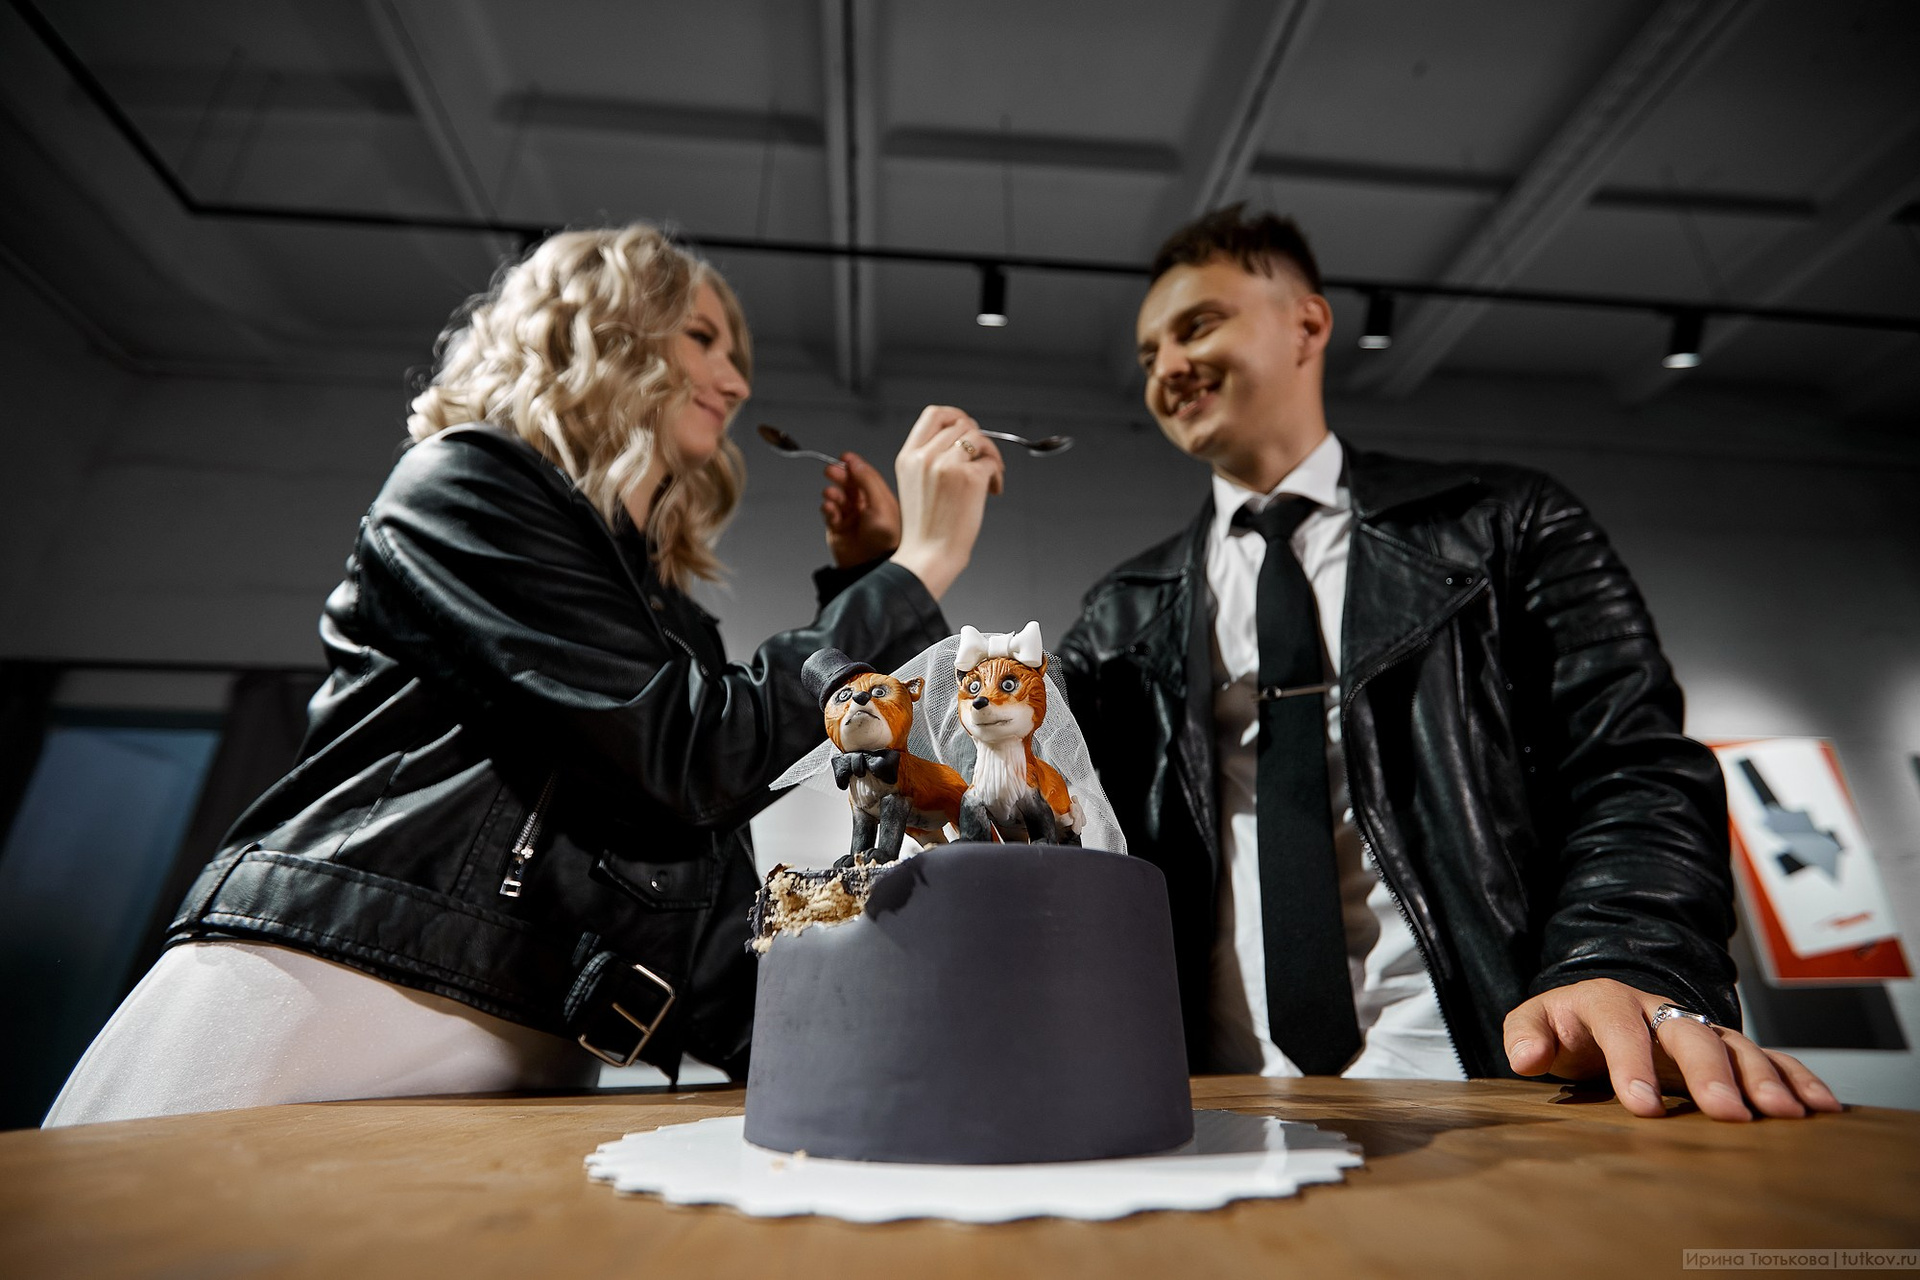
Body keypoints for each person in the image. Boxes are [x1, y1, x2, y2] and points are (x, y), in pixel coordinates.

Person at [46, 224, 1003, 1125]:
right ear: (606, 329)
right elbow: (692, 753)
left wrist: (868, 585)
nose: (735, 380)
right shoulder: (467, 483)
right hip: (321, 997)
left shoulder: (669, 622)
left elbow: (700, 832)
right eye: (703, 337)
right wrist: (915, 568)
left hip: (534, 1052)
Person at [1054, 206, 1840, 1122]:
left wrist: (1624, 956)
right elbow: (1002, 789)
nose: (1166, 368)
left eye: (1197, 326)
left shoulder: (1508, 523)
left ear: (1308, 324)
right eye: (1148, 353)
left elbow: (1630, 766)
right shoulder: (1122, 611)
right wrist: (915, 568)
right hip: (1218, 1098)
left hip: (1500, 1078)